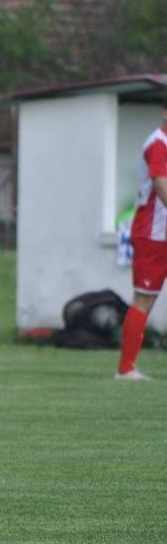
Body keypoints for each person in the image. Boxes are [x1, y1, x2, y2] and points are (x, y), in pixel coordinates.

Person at [113, 99, 167, 382]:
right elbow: (160, 186)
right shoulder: (158, 142)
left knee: (148, 300)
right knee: (144, 300)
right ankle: (125, 369)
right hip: (153, 234)